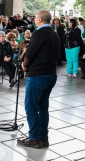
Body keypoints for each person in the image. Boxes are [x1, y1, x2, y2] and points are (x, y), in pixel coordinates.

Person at [17, 10, 60, 149]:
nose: (34, 19)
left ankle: (34, 138)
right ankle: (43, 137)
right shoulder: (54, 34)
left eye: (36, 17)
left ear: (40, 20)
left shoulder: (38, 33)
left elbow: (30, 53)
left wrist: (25, 65)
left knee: (31, 107)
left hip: (38, 75)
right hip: (51, 74)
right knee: (43, 107)